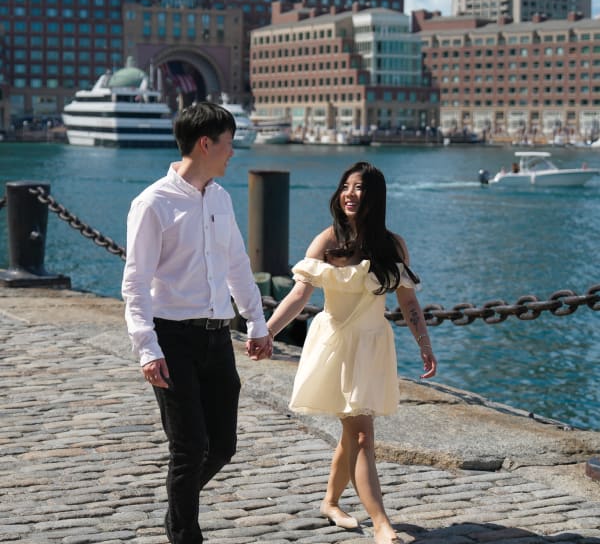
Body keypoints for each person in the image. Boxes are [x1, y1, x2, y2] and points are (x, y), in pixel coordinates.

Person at [122, 101, 272, 544]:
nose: (233, 153)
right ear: (205, 144)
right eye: (228, 144)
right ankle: (186, 534)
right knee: (188, 449)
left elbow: (238, 266)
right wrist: (147, 348)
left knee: (222, 446)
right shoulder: (152, 203)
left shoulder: (221, 199)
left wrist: (256, 324)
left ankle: (176, 508)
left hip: (216, 339)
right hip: (172, 340)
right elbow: (135, 281)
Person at [264, 161, 437, 544]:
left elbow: (408, 302)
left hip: (373, 346)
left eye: (358, 187)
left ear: (375, 196)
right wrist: (267, 332)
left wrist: (424, 345)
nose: (349, 194)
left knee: (351, 434)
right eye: (345, 186)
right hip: (336, 347)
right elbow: (299, 296)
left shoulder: (392, 246)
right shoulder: (327, 241)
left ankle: (330, 502)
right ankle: (381, 523)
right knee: (361, 437)